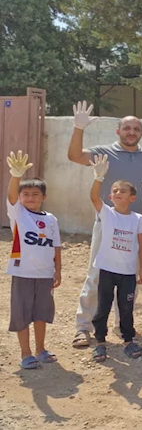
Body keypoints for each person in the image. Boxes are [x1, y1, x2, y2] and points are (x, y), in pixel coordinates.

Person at [67, 101, 142, 349]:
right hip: (108, 225)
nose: (131, 132)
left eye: (136, 129)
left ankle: (124, 327)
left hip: (138, 225)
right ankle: (84, 327)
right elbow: (75, 156)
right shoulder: (104, 153)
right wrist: (79, 128)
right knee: (97, 275)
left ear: (141, 133)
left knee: (130, 277)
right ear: (118, 131)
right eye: (127, 128)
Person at [87, 155, 142, 362]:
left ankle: (128, 340)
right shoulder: (107, 213)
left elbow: (141, 244)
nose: (118, 193)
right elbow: (94, 197)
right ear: (110, 198)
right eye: (115, 191)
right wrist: (98, 177)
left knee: (126, 307)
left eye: (123, 191)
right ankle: (100, 342)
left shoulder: (137, 219)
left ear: (132, 197)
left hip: (128, 272)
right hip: (107, 269)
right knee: (103, 305)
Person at [6, 152, 61, 370]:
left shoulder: (51, 219)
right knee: (21, 314)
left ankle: (41, 349)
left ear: (43, 198)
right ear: (20, 198)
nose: (30, 198)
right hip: (23, 273)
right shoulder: (18, 215)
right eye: (25, 194)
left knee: (41, 313)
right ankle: (25, 354)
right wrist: (15, 176)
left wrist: (58, 270)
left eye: (35, 194)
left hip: (45, 274)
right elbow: (11, 195)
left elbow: (56, 246)